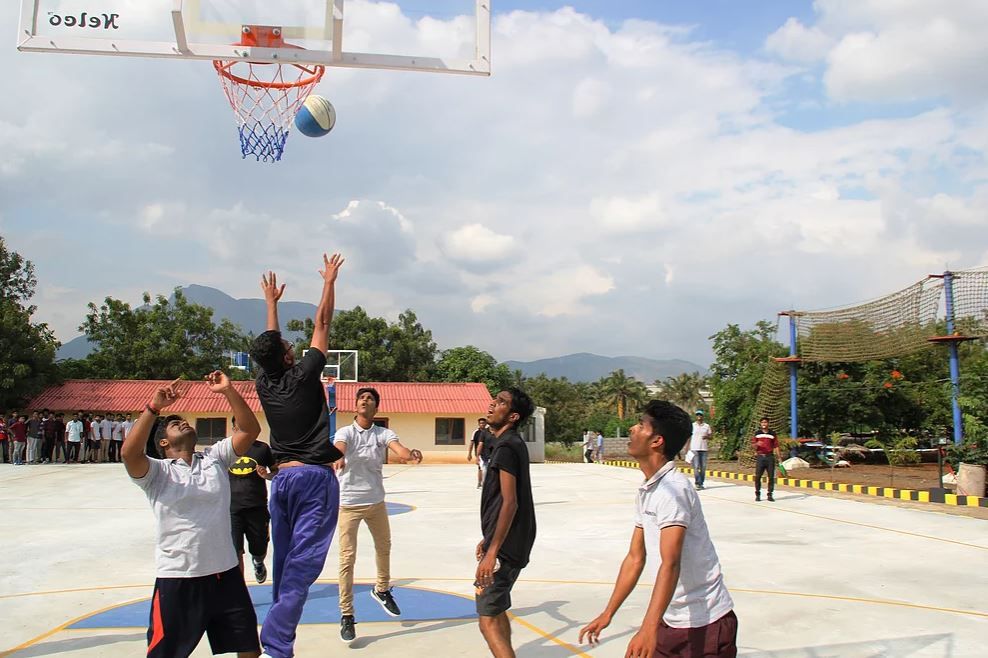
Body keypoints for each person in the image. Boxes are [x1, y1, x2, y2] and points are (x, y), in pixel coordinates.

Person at [579, 400, 738, 657]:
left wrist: (648, 628)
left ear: (657, 441)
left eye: (641, 425)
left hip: (705, 623)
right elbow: (635, 558)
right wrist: (608, 613)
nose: (632, 428)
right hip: (672, 620)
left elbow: (670, 562)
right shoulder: (649, 489)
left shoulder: (674, 490)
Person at [123, 372, 263, 658]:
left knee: (249, 649)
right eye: (174, 424)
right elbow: (129, 453)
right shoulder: (157, 473)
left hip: (224, 573)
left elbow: (249, 429)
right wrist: (154, 407)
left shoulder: (214, 458)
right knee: (165, 654)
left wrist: (228, 391)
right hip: (179, 577)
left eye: (182, 420)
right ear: (163, 443)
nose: (182, 422)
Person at [249, 254, 345, 658]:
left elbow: (271, 347)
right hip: (313, 480)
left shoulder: (263, 383)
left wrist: (271, 304)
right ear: (291, 357)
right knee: (302, 568)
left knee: (286, 564)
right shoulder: (306, 374)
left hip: (282, 481)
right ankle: (274, 638)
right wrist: (328, 281)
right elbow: (322, 324)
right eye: (290, 345)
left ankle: (279, 642)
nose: (292, 344)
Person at [333, 387, 423, 643]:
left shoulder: (383, 433)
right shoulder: (345, 432)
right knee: (347, 559)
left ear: (376, 408)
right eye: (362, 398)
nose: (365, 400)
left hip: (375, 502)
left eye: (370, 399)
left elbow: (400, 450)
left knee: (384, 547)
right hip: (348, 504)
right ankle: (347, 614)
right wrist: (337, 458)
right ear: (355, 406)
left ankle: (382, 589)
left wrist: (411, 455)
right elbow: (339, 448)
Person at [475, 387, 536, 658]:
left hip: (506, 546)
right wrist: (487, 538)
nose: (492, 405)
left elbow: (510, 503)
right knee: (497, 611)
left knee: (487, 618)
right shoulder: (509, 443)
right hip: (509, 540)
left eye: (500, 403)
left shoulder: (506, 447)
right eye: (494, 400)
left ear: (512, 416)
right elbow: (503, 502)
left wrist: (492, 551)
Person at [228, 416, 277, 584]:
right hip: (231, 510)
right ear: (233, 429)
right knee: (235, 552)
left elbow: (278, 472)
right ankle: (239, 590)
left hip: (257, 507)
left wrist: (267, 475)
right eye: (238, 427)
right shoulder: (225, 450)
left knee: (259, 547)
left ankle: (258, 561)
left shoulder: (262, 449)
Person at [753, 417, 781, 502]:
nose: (764, 424)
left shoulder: (772, 433)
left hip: (770, 457)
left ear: (768, 423)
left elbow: (776, 446)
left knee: (771, 477)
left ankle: (770, 494)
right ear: (760, 424)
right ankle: (758, 494)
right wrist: (757, 444)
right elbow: (753, 445)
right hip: (760, 457)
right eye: (762, 423)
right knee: (758, 477)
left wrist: (779, 457)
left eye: (765, 422)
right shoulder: (757, 433)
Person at [689, 410, 712, 490]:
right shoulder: (692, 426)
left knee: (703, 467)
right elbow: (689, 437)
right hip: (694, 448)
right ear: (696, 416)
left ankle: (701, 482)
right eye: (697, 415)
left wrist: (707, 437)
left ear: (703, 416)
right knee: (696, 466)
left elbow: (711, 436)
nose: (699, 416)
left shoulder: (706, 426)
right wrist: (687, 448)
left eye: (700, 415)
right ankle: (697, 483)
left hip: (703, 449)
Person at [468, 417, 493, 488]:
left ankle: (486, 482)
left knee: (489, 468)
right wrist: (470, 454)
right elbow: (472, 443)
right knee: (481, 468)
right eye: (481, 423)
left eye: (483, 423)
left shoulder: (489, 432)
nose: (482, 424)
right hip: (480, 453)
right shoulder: (476, 432)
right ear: (478, 424)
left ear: (486, 424)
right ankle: (480, 482)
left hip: (489, 453)